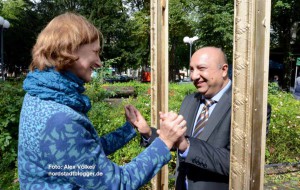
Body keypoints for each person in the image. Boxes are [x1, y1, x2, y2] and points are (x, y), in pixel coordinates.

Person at [18, 12, 187, 190]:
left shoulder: (40, 95)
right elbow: (116, 183)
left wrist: (129, 129)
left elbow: (83, 153)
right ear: (69, 48)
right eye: (95, 52)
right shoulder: (60, 119)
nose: (99, 62)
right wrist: (165, 142)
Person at [140, 47, 271, 190]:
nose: (194, 76)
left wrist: (186, 145)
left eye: (201, 68)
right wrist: (147, 132)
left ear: (224, 70)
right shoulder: (190, 100)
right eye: (191, 69)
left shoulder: (247, 108)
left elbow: (241, 163)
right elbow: (178, 142)